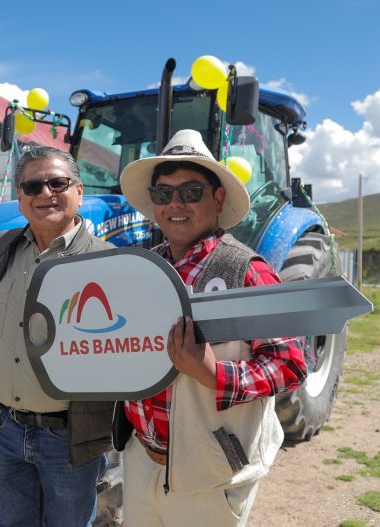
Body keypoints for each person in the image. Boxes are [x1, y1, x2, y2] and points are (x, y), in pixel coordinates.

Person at [116, 129, 308, 527]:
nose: (174, 204)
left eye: (190, 192)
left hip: (209, 471)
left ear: (217, 198)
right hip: (139, 460)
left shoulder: (246, 271)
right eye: (163, 193)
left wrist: (211, 373)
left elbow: (290, 361)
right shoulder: (142, 269)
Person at [0, 145, 115, 527]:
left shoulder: (108, 263)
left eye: (57, 182)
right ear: (20, 198)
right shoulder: (1, 249)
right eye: (33, 185)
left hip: (69, 437)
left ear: (79, 191)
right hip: (6, 430)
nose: (45, 193)